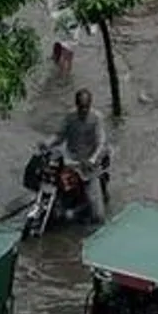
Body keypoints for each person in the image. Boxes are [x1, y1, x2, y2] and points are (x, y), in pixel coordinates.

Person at [44, 88, 109, 224]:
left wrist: (93, 158)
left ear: (90, 105)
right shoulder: (70, 117)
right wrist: (47, 143)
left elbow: (101, 141)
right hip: (71, 160)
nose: (83, 111)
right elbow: (59, 136)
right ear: (76, 105)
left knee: (98, 216)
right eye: (81, 107)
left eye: (86, 107)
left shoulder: (96, 118)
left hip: (89, 164)